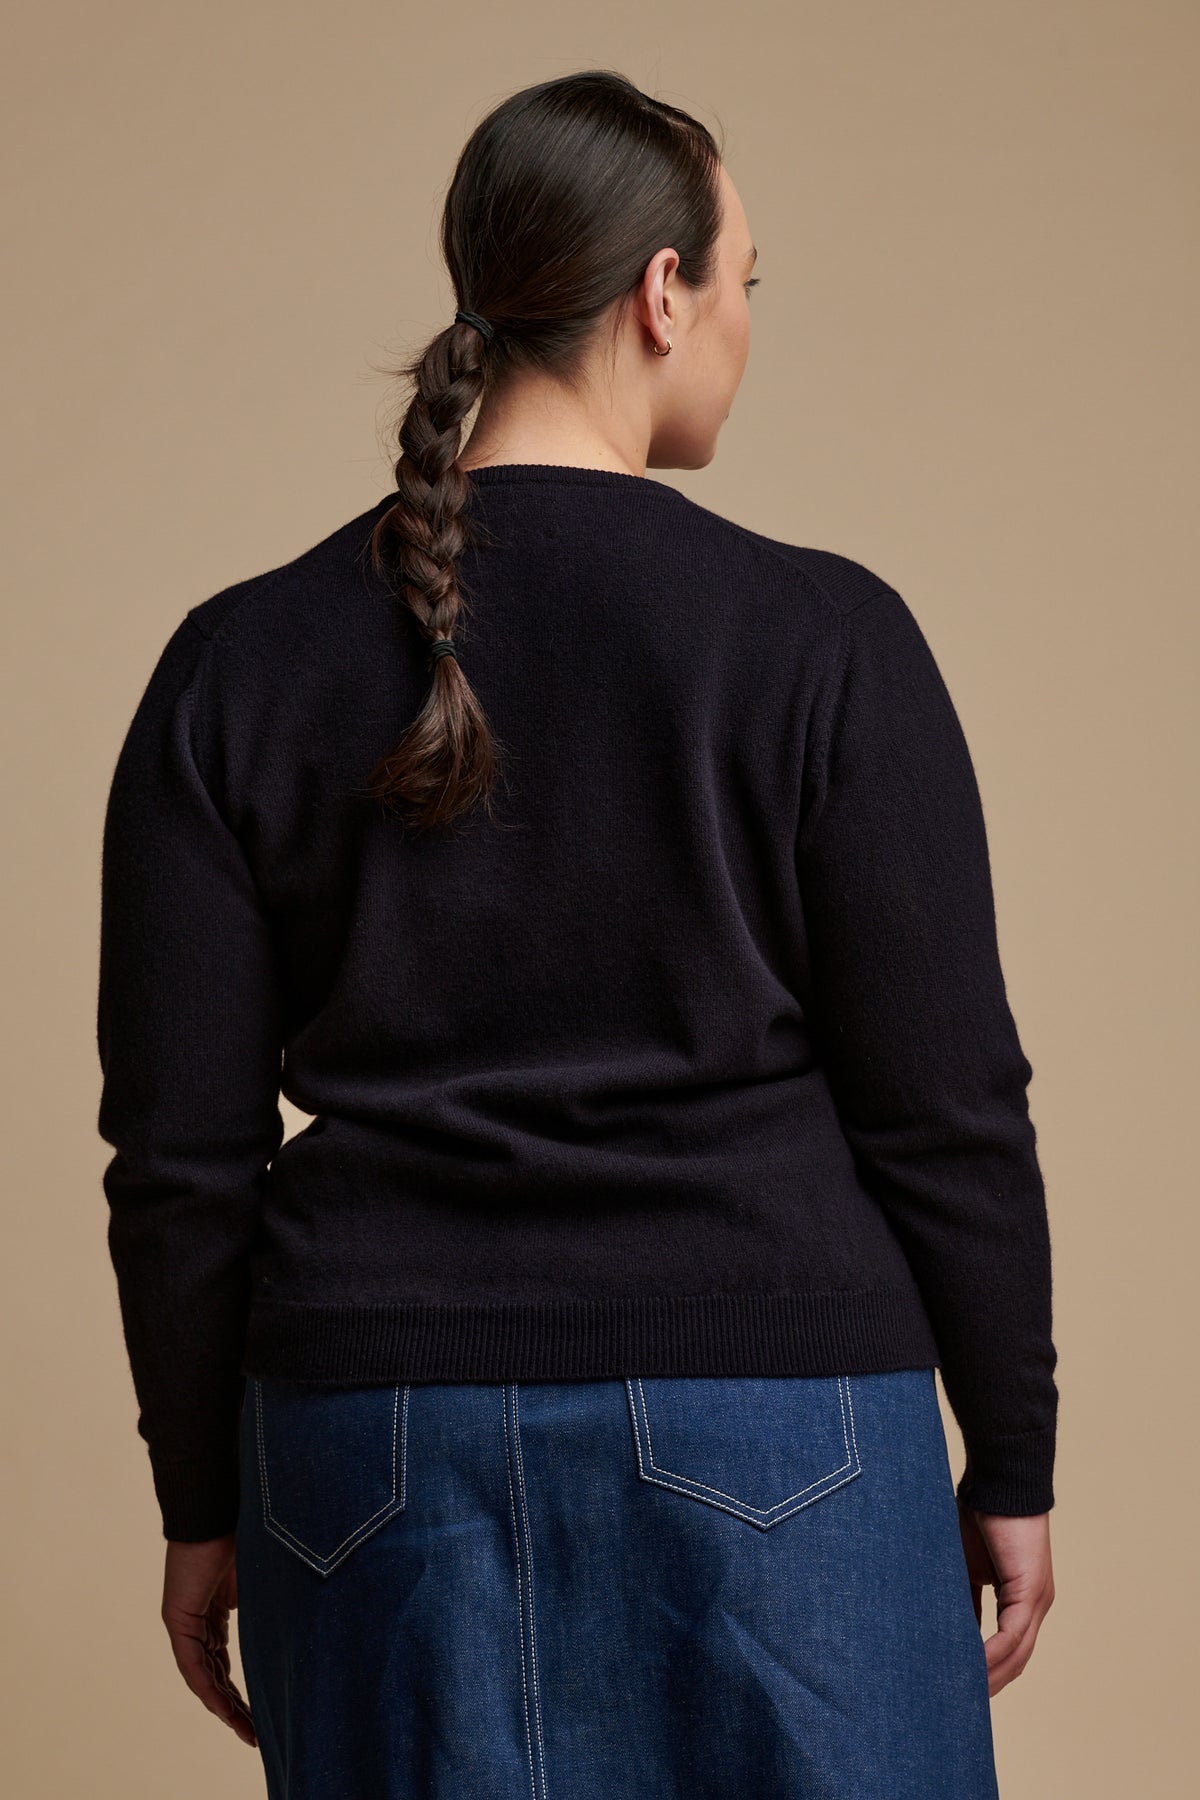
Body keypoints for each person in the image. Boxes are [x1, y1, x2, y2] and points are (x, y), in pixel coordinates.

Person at [96, 67, 1057, 1800]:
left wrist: (199, 1497)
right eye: (746, 277)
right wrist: (1011, 1451)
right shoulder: (823, 638)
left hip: (361, 1441)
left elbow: (180, 1159)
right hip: (785, 1421)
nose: (746, 319)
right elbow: (947, 1104)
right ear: (662, 293)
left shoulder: (236, 662)